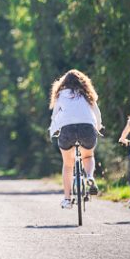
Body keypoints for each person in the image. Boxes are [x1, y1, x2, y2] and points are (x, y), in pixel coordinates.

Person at [49, 69, 103, 208]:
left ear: (64, 82)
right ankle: (90, 176)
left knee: (68, 164)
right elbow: (97, 113)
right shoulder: (87, 94)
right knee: (88, 156)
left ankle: (67, 199)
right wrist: (98, 126)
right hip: (87, 128)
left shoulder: (60, 94)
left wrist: (54, 130)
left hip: (67, 130)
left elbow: (54, 115)